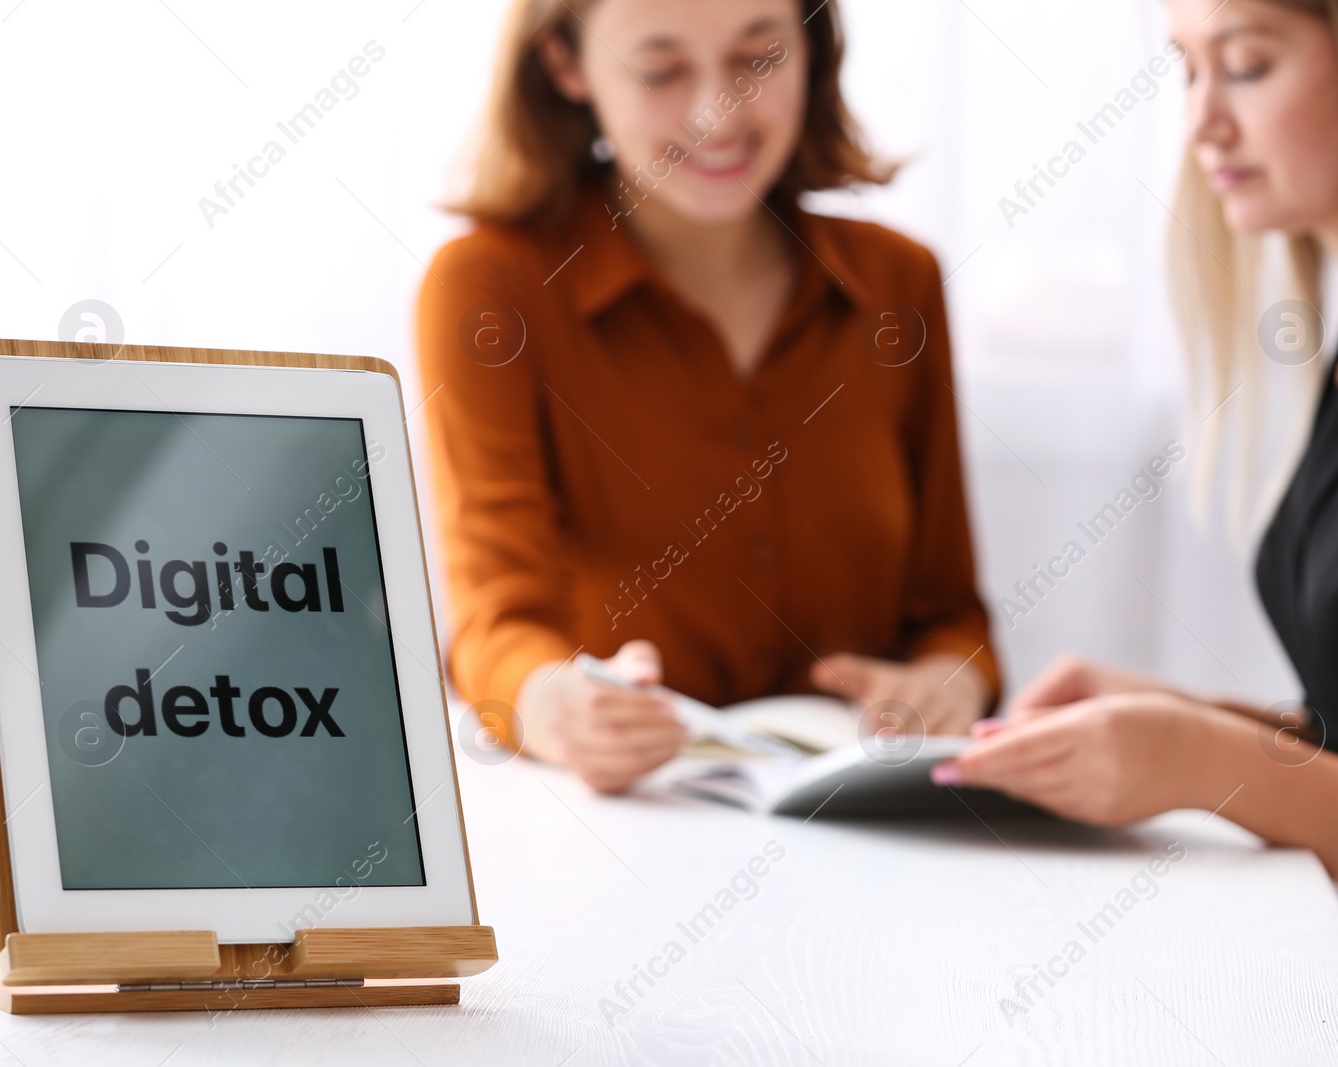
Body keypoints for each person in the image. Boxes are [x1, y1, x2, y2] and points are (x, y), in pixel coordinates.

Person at [934, 1, 1338, 1060]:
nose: (1200, 126)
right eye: (1186, 73)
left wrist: (1204, 758)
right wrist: (1174, 714)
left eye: (1243, 66)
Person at [419, 0, 997, 794]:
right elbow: (495, 624)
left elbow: (953, 616)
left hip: (870, 827)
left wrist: (947, 681)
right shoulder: (491, 293)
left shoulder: (901, 283)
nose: (714, 113)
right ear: (564, 63)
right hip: (624, 830)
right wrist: (557, 707)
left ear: (811, 46)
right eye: (660, 69)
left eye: (757, 57)